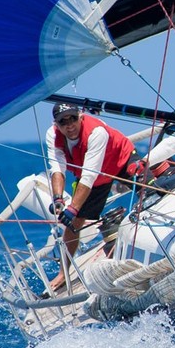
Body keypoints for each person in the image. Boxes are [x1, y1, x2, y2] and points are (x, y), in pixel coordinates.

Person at [46, 103, 140, 292]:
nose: (69, 125)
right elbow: (57, 169)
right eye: (63, 122)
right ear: (56, 124)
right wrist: (58, 200)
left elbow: (88, 175)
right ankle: (63, 273)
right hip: (97, 177)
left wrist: (71, 209)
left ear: (80, 116)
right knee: (73, 223)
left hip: (121, 160)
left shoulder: (96, 132)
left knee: (152, 192)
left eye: (72, 118)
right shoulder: (53, 135)